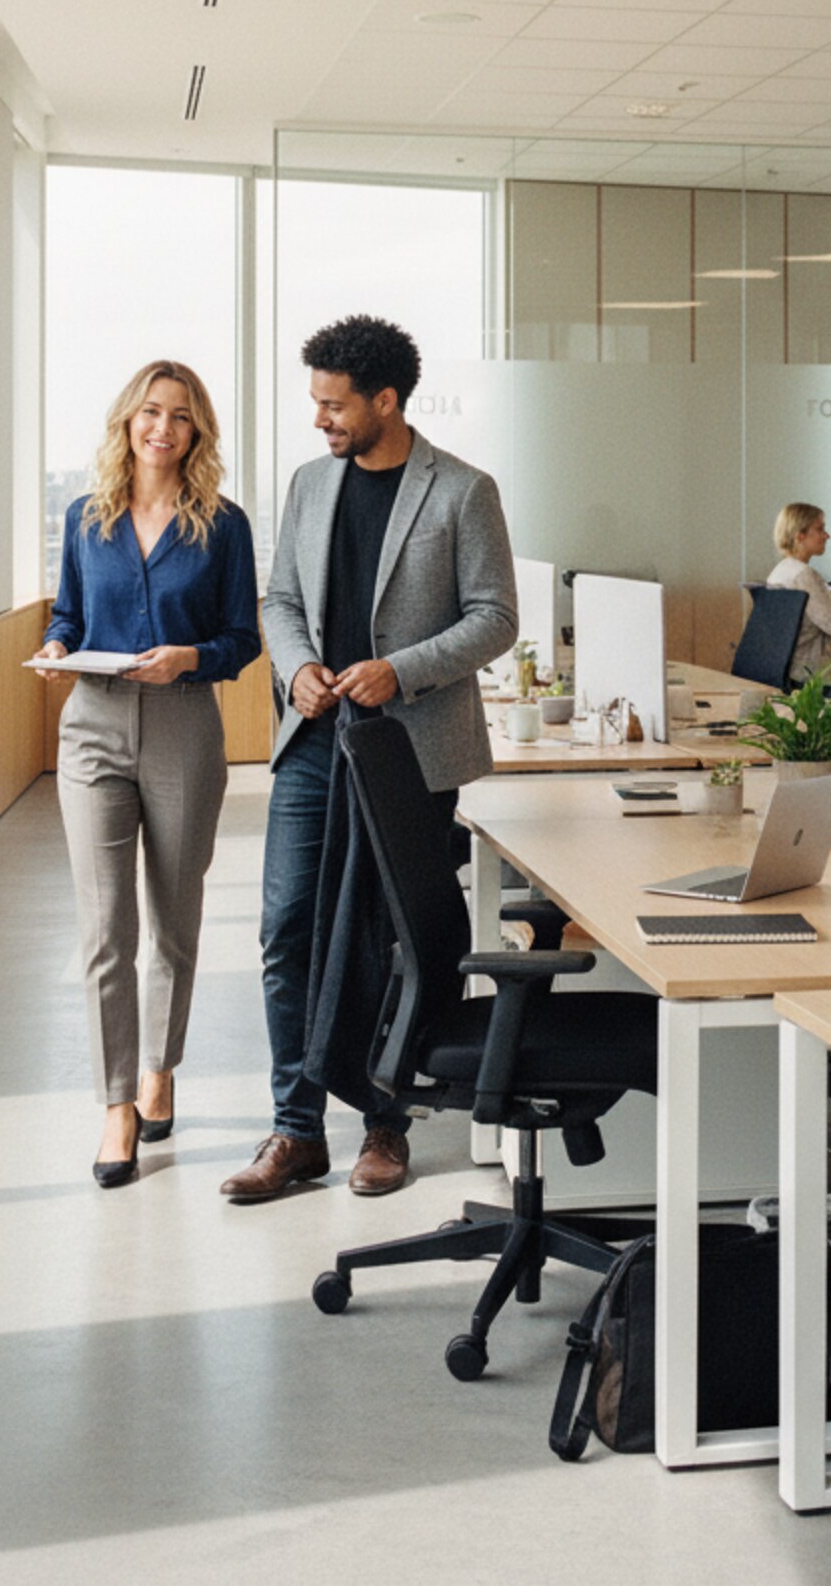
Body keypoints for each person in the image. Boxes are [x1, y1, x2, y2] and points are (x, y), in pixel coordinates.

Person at [222, 315, 516, 1206]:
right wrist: (298, 665)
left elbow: (496, 617)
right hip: (315, 743)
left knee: (393, 940)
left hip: (409, 750)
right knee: (288, 930)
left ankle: (384, 1122)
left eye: (334, 404)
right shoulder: (312, 485)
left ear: (386, 400)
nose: (320, 419)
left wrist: (402, 673)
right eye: (315, 402)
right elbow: (279, 600)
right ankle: (296, 1128)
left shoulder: (462, 490)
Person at [34, 361, 260, 1189]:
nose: (162, 427)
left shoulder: (222, 527)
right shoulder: (85, 519)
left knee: (173, 921)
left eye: (180, 416)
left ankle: (163, 1067)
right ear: (126, 421)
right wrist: (59, 645)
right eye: (150, 412)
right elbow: (68, 613)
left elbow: (244, 639)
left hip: (182, 727)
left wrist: (189, 659)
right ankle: (117, 1105)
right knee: (104, 931)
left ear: (196, 432)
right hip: (91, 725)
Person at [765, 502, 831, 687]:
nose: (827, 536)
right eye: (820, 529)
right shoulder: (804, 575)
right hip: (814, 676)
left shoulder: (780, 571)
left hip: (789, 669)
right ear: (800, 535)